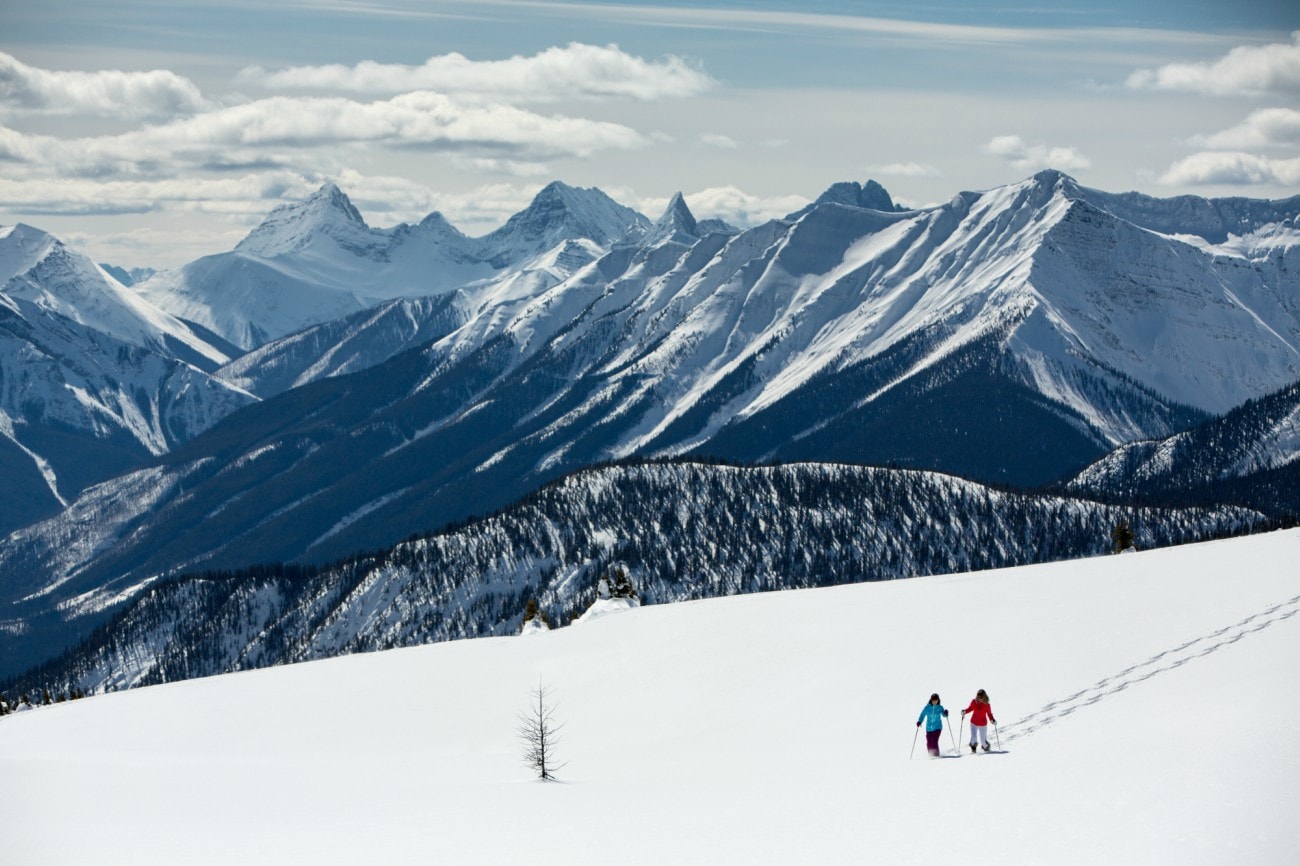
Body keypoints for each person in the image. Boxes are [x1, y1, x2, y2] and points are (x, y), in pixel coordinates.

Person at [916, 693, 949, 757]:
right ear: (931, 700)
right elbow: (922, 715)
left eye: (936, 700)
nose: (934, 701)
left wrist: (946, 713)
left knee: (934, 740)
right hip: (929, 728)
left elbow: (944, 715)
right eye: (933, 700)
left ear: (938, 700)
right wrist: (919, 721)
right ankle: (930, 754)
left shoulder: (940, 707)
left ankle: (936, 754)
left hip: (937, 727)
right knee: (929, 742)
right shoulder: (927, 708)